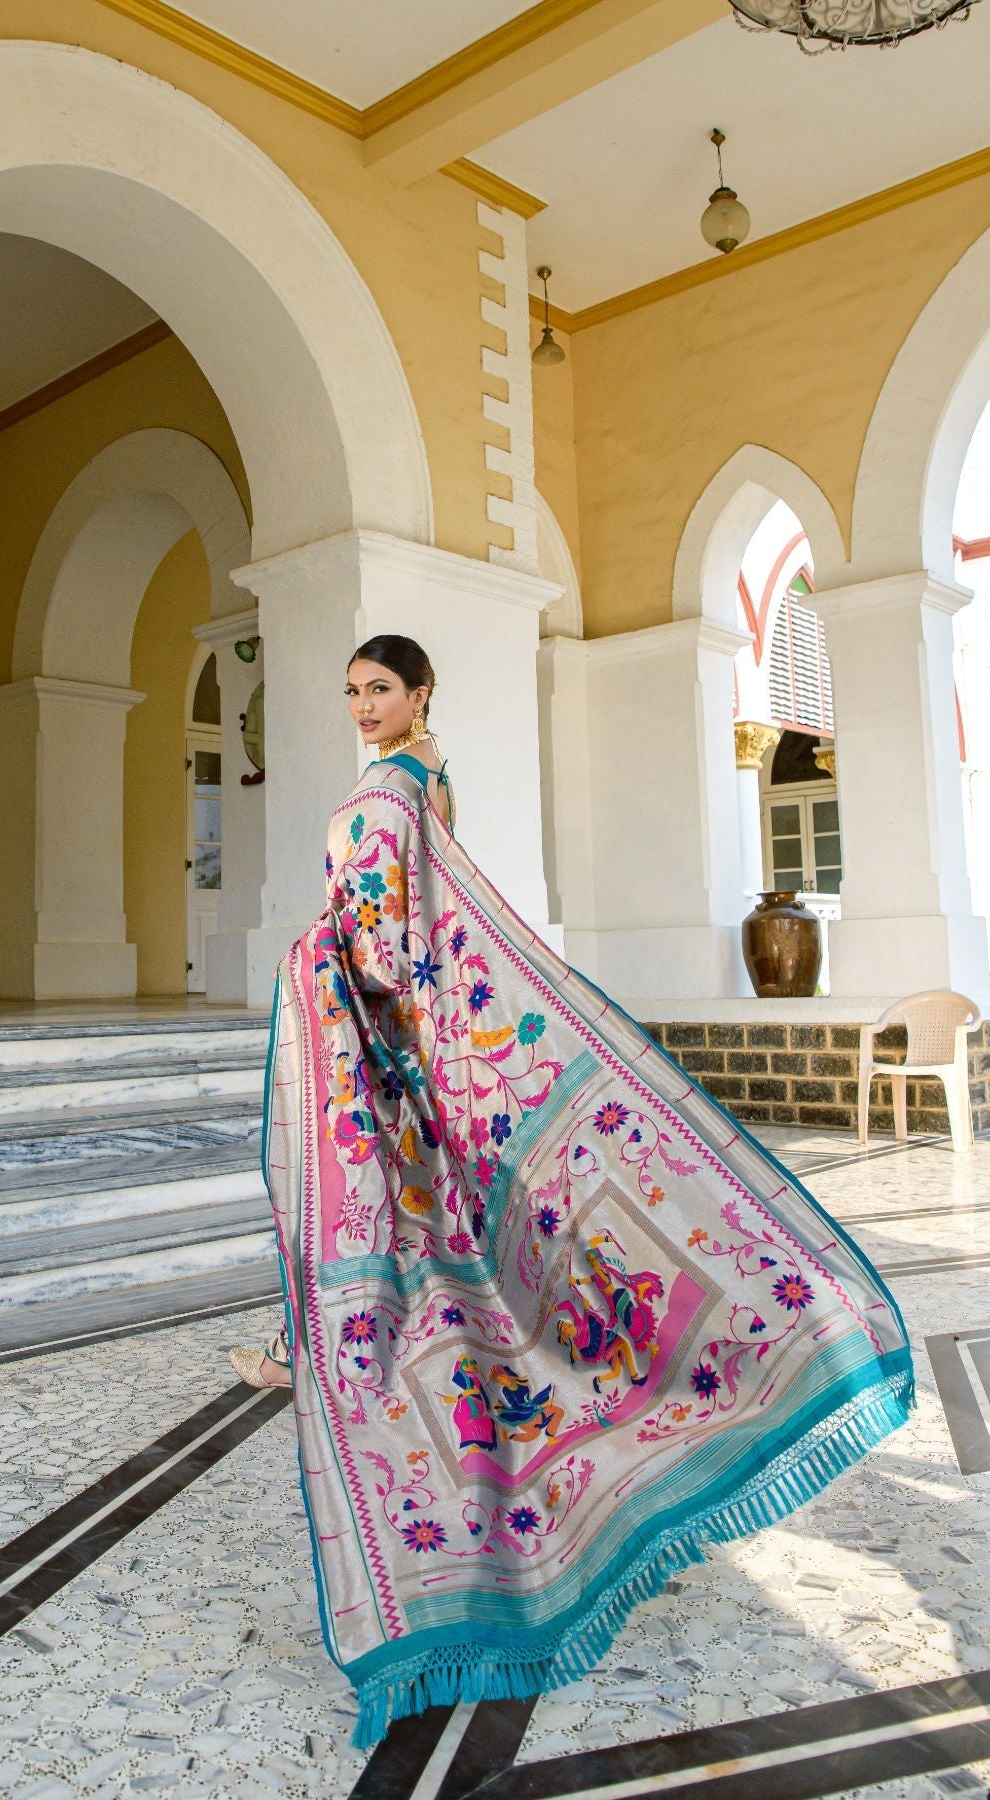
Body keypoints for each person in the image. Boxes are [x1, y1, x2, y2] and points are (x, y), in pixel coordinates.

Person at [230, 633, 913, 1749]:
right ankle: (322, 1347)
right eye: (351, 691)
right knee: (433, 1234)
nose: (362, 706)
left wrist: (316, 953)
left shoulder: (395, 794)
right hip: (408, 1046)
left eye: (380, 690)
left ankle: (436, 1386)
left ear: (419, 695)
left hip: (393, 1043)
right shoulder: (422, 779)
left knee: (416, 1236)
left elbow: (389, 943)